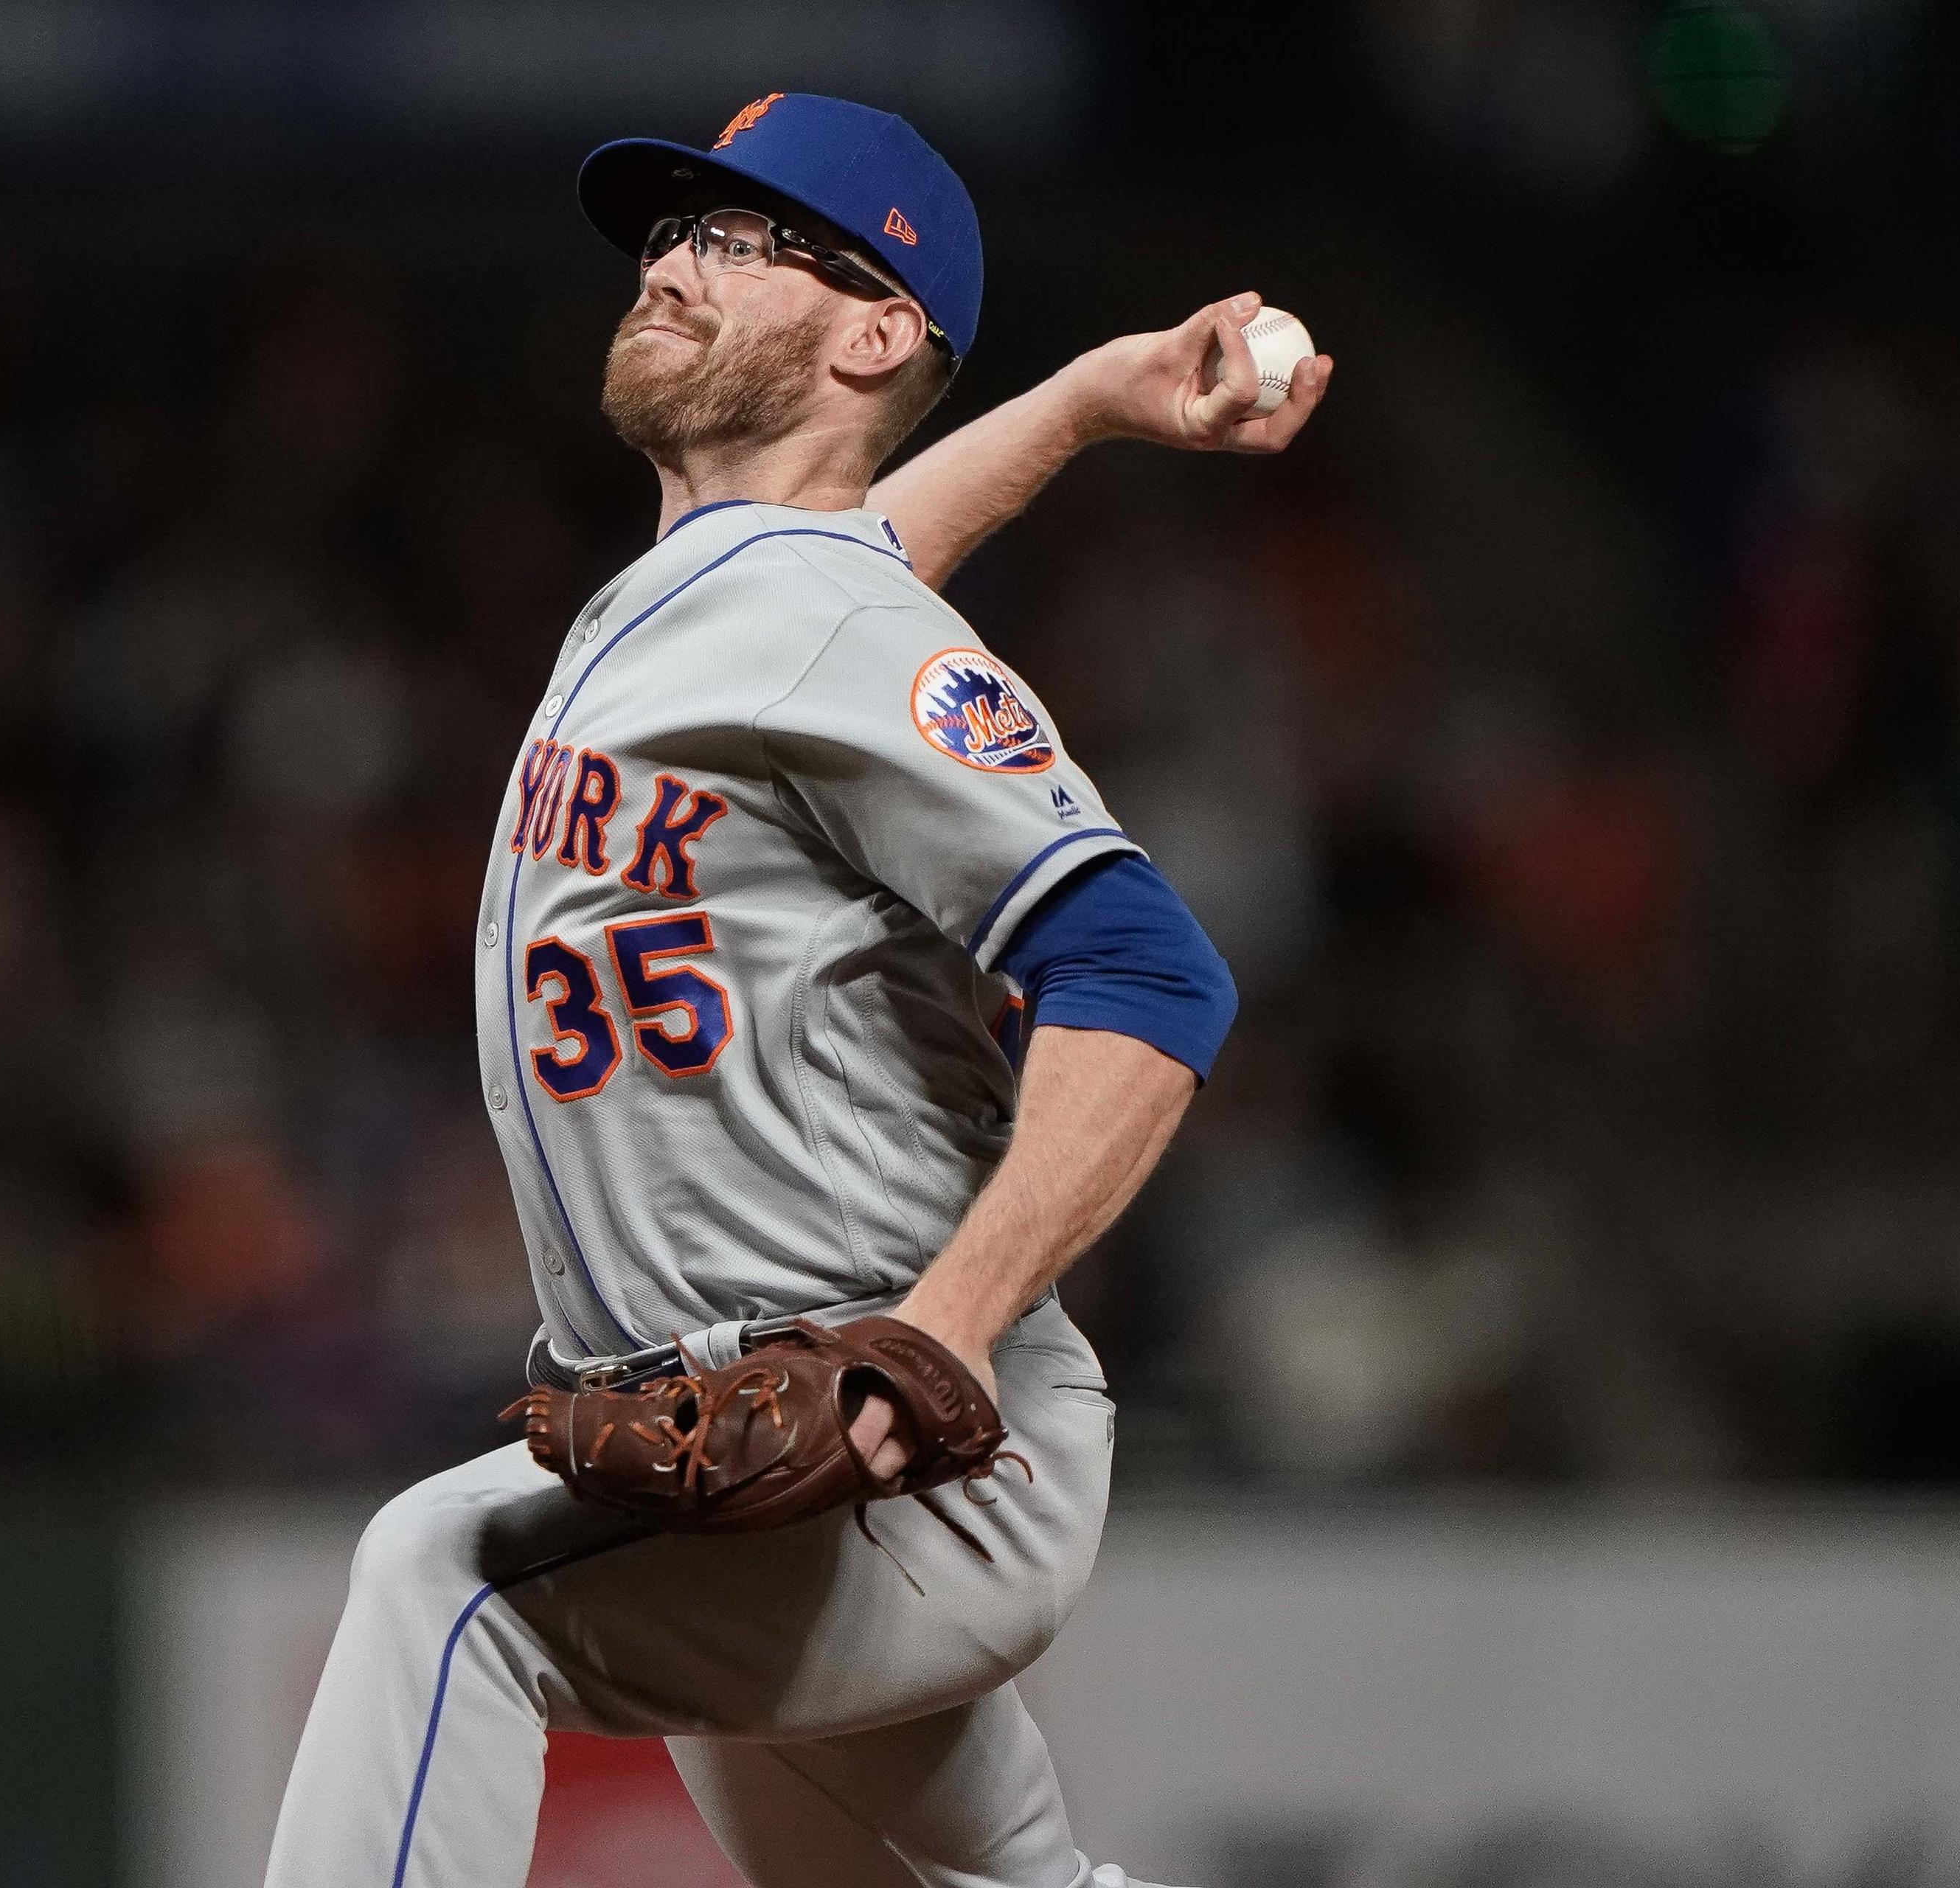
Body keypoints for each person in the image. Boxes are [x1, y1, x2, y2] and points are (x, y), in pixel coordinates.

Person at [262, 92, 1332, 1887]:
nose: (670, 264)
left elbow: (1148, 973)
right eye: (671, 233)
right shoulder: (730, 596)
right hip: (747, 1445)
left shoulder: (836, 632)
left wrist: (946, 1332)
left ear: (873, 328)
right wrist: (1077, 403)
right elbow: (853, 559)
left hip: (901, 1437)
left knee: (444, 1584)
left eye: (735, 241)